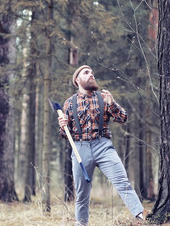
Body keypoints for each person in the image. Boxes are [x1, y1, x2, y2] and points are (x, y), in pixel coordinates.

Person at [58, 65, 144, 225]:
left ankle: (140, 217)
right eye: (86, 72)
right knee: (81, 194)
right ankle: (81, 224)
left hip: (103, 146)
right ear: (77, 80)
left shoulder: (103, 97)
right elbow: (65, 135)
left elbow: (123, 118)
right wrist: (63, 125)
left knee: (122, 182)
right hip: (80, 148)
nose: (91, 74)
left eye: (92, 72)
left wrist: (112, 104)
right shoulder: (69, 103)